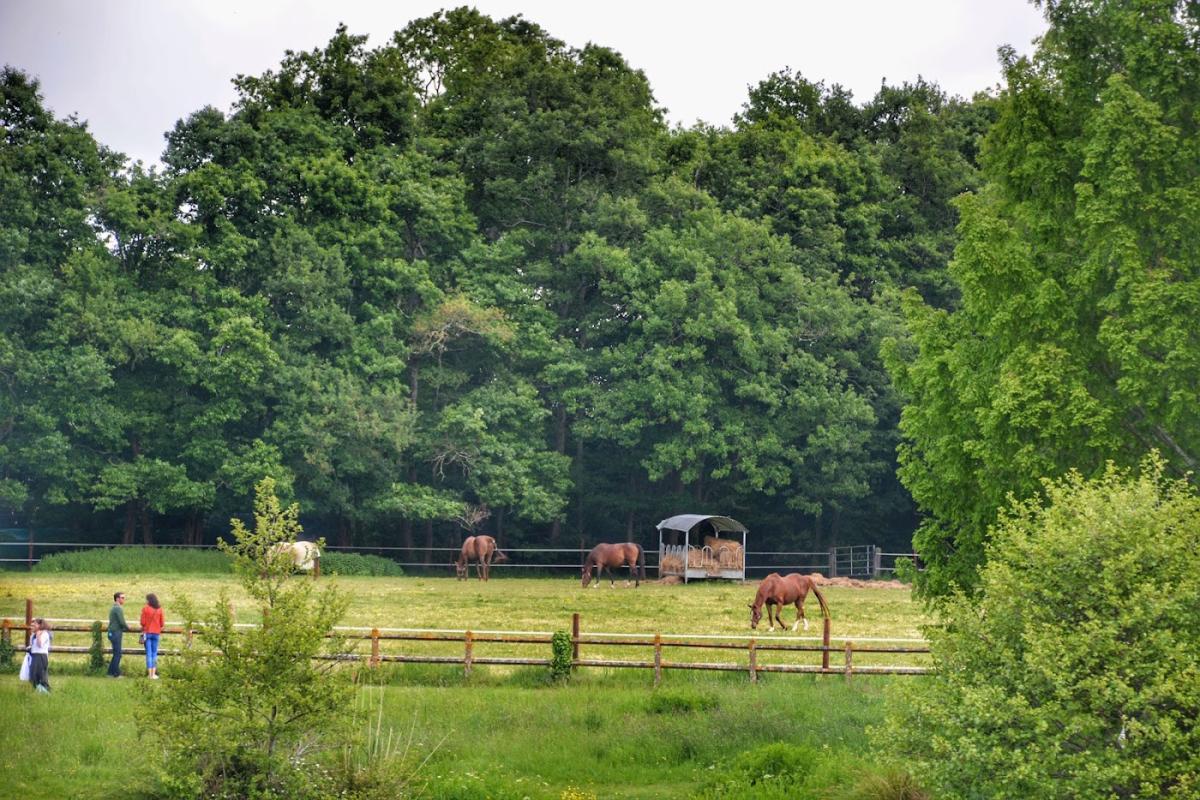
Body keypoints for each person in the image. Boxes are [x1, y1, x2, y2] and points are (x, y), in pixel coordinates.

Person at [139, 593, 164, 679]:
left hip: (147, 632)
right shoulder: (160, 609)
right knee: (154, 653)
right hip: (156, 633)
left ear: (149, 600)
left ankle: (149, 674)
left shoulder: (145, 608)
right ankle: (154, 673)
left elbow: (142, 622)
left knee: (149, 653)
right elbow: (162, 623)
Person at [107, 591, 130, 678]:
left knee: (116, 653)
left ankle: (110, 672)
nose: (124, 600)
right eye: (122, 598)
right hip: (116, 632)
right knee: (118, 654)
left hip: (112, 632)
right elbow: (122, 621)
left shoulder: (114, 608)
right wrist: (128, 628)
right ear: (117, 599)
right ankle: (116, 673)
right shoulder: (118, 608)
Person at [27, 618, 52, 693]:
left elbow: (40, 645)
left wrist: (38, 635)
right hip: (34, 656)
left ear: (40, 625)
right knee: (33, 675)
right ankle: (38, 690)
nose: (32, 626)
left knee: (41, 675)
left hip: (41, 656)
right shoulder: (33, 635)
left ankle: (46, 691)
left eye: (34, 625)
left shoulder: (44, 634)